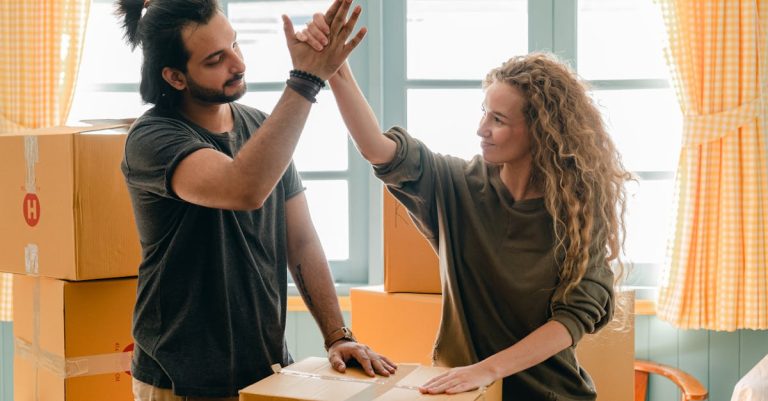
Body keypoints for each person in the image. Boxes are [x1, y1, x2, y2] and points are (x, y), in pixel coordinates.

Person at [298, 9, 631, 401]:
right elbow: (378, 149)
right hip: (463, 394)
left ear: (540, 132)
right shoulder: (455, 185)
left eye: (498, 119)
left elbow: (572, 319)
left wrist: (488, 369)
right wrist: (336, 70)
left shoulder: (577, 212)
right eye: (483, 112)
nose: (481, 129)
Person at [116, 0, 396, 399]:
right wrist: (306, 79)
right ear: (175, 77)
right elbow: (243, 188)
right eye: (216, 59)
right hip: (180, 379)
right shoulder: (151, 139)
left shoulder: (260, 126)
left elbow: (300, 239)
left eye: (236, 44)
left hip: (266, 367)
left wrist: (337, 336)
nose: (238, 63)